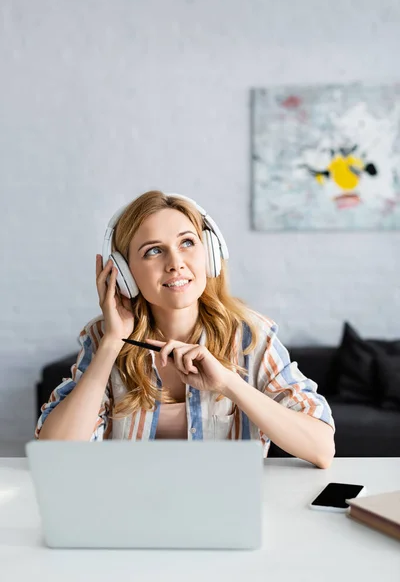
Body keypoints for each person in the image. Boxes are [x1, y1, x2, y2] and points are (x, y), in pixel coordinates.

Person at [35, 191, 335, 468]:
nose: (175, 263)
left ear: (211, 254)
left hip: (223, 512)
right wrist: (113, 343)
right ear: (124, 272)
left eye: (187, 243)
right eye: (153, 251)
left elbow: (322, 449)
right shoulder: (104, 337)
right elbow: (56, 454)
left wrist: (229, 384)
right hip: (127, 508)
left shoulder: (250, 336)